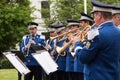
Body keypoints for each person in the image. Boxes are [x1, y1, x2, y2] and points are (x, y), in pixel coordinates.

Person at [73, 0, 120, 80]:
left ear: (99, 16)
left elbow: (83, 58)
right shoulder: (118, 31)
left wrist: (77, 44)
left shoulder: (97, 34)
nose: (94, 19)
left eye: (94, 16)